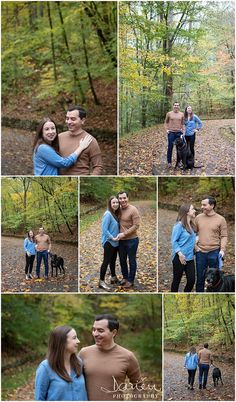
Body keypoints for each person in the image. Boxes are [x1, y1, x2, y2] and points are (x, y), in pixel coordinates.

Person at [79, 314, 142, 401]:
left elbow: (138, 385)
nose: (95, 334)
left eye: (100, 331)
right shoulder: (84, 353)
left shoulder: (128, 356)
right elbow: (74, 381)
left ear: (114, 333)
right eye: (94, 330)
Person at [35, 325, 88, 401]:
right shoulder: (45, 368)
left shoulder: (79, 363)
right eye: (74, 338)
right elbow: (39, 398)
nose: (78, 341)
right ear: (62, 341)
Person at [195, 196, 227, 292]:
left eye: (204, 205)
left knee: (216, 279)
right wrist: (195, 246)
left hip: (214, 252)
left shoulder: (221, 219)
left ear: (212, 205)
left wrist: (222, 249)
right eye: (201, 204)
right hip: (200, 252)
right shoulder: (198, 218)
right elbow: (192, 234)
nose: (202, 207)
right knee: (200, 278)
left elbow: (224, 236)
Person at [59, 106, 103, 175]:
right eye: (67, 118)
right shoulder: (59, 137)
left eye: (73, 119)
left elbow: (98, 166)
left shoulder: (90, 140)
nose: (69, 122)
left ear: (82, 120)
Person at [115, 192, 140, 289]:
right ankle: (125, 277)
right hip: (121, 241)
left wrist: (124, 234)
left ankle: (130, 280)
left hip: (132, 240)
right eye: (120, 198)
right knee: (122, 260)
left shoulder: (133, 210)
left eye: (124, 198)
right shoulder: (118, 209)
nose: (122, 200)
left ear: (128, 198)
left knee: (132, 261)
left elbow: (136, 225)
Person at [171, 204, 196, 292]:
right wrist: (180, 254)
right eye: (192, 209)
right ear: (187, 212)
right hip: (179, 258)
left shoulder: (192, 225)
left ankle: (186, 296)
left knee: (191, 280)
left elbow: (193, 239)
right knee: (176, 281)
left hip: (190, 257)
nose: (195, 210)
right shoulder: (179, 226)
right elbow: (174, 241)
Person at [99, 196, 120, 291]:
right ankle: (101, 281)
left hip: (116, 242)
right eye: (113, 203)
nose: (115, 204)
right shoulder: (107, 214)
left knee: (113, 261)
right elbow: (104, 230)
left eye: (117, 202)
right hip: (109, 242)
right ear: (110, 204)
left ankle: (113, 277)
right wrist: (112, 238)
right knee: (106, 261)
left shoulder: (115, 214)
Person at [164, 102, 184, 168]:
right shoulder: (169, 113)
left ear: (179, 106)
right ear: (173, 106)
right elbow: (166, 122)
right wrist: (167, 130)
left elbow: (182, 123)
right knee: (170, 147)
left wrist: (183, 130)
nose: (176, 106)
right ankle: (169, 162)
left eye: (177, 105)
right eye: (175, 105)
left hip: (179, 133)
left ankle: (179, 162)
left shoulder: (182, 114)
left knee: (179, 149)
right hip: (171, 133)